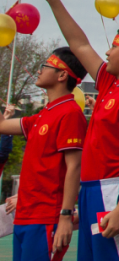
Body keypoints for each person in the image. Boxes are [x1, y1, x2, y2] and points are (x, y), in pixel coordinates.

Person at [39, 0, 119, 261]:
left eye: (113, 46)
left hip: (113, 190)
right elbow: (79, 45)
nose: (106, 51)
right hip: (93, 189)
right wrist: (54, 0)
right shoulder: (109, 82)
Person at [0, 47, 87, 261]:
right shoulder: (42, 115)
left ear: (62, 74)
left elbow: (74, 167)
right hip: (24, 216)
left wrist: (66, 216)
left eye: (45, 66)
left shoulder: (70, 113)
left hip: (46, 217)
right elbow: (2, 126)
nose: (39, 71)